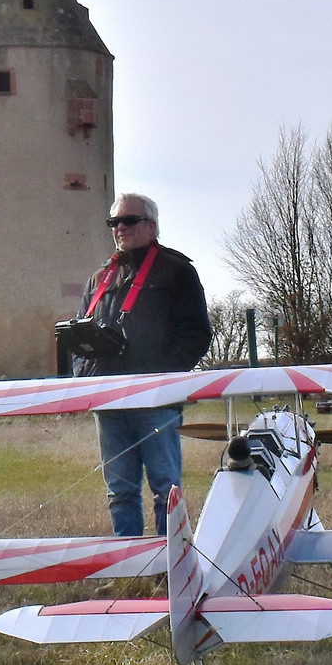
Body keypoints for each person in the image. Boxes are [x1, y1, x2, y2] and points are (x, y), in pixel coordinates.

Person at [73, 193, 210, 537]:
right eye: (114, 222)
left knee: (166, 489)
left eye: (129, 221)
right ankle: (127, 565)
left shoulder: (177, 271)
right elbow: (78, 335)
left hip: (155, 400)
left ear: (151, 226)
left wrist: (163, 377)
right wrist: (87, 380)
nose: (120, 228)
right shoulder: (99, 278)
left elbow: (196, 333)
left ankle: (169, 568)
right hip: (109, 400)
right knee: (120, 491)